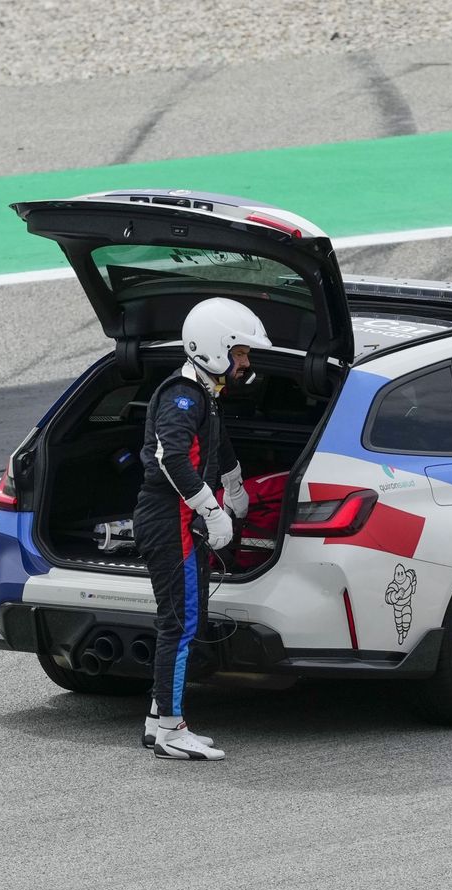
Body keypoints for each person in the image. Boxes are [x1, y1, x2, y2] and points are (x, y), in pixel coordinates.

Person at [135, 297, 265, 760]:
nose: (245, 362)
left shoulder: (203, 395)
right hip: (170, 520)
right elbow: (170, 459)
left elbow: (217, 444)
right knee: (181, 623)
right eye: (239, 353)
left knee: (183, 621)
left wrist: (235, 487)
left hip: (179, 520)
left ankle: (158, 721)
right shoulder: (184, 396)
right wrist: (212, 510)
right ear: (214, 348)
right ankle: (172, 732)